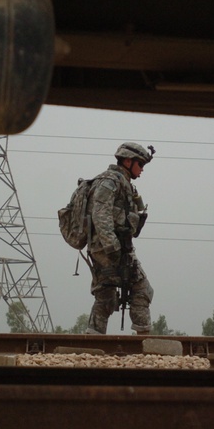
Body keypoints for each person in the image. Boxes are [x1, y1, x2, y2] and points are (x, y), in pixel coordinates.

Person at [85, 142, 155, 335]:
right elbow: (100, 213)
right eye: (140, 164)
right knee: (142, 289)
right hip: (111, 250)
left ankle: (92, 340)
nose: (141, 170)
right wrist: (113, 248)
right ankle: (144, 340)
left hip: (107, 248)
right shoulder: (110, 181)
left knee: (105, 295)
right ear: (127, 160)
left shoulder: (121, 182)